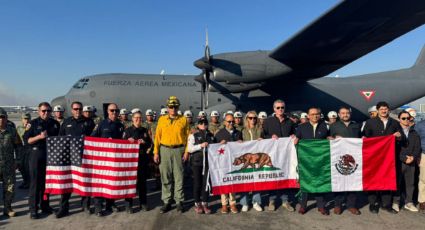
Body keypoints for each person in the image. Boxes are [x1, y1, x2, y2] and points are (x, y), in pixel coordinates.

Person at [55, 101, 95, 218]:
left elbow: (94, 138)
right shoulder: (66, 122)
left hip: (84, 156)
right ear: (72, 110)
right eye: (75, 109)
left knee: (84, 182)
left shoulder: (89, 122)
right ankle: (63, 208)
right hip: (68, 157)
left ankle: (85, 205)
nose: (78, 111)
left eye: (79, 109)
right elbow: (60, 138)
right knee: (67, 183)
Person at [363, 101, 401, 214]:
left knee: (387, 179)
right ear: (377, 110)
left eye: (386, 109)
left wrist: (398, 136)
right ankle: (373, 203)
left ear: (388, 110)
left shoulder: (394, 123)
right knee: (373, 179)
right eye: (381, 109)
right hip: (374, 157)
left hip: (389, 158)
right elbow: (366, 137)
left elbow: (402, 137)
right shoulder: (370, 122)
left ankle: (386, 204)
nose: (384, 111)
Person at [153, 96, 190, 214]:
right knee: (165, 176)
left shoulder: (183, 120)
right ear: (167, 108)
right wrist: (155, 152)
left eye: (175, 106)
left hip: (179, 150)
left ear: (178, 107)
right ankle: (167, 201)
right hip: (164, 150)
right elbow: (157, 137)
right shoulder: (162, 120)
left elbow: (189, 137)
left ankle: (179, 201)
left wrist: (187, 151)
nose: (173, 109)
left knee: (179, 176)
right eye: (171, 106)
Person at [24, 102, 60, 219]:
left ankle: (45, 205)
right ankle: (33, 209)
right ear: (39, 111)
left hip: (49, 155)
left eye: (48, 111)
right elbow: (27, 141)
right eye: (43, 111)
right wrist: (39, 137)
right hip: (36, 154)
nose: (46, 113)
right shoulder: (33, 124)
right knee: (35, 183)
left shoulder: (55, 124)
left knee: (46, 183)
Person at [90, 103, 125, 216]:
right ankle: (98, 207)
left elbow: (122, 142)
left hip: (114, 159)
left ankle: (110, 204)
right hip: (101, 159)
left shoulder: (120, 125)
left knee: (111, 182)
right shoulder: (101, 124)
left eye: (116, 110)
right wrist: (104, 142)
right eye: (112, 110)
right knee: (100, 183)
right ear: (108, 111)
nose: (114, 112)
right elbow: (92, 138)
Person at [262, 99, 296, 212]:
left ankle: (285, 201)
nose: (280, 109)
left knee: (284, 175)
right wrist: (270, 137)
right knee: (273, 176)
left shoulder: (290, 122)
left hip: (286, 154)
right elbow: (263, 135)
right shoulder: (268, 121)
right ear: (274, 109)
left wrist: (293, 136)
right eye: (278, 108)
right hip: (273, 154)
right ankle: (271, 200)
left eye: (282, 107)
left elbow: (294, 133)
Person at [295, 106, 329, 215]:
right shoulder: (301, 127)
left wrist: (330, 139)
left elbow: (328, 139)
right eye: (313, 114)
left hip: (320, 160)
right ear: (308, 116)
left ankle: (321, 206)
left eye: (317, 114)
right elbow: (297, 139)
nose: (315, 116)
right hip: (306, 161)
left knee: (319, 182)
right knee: (305, 183)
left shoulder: (325, 127)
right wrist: (296, 140)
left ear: (320, 115)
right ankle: (303, 206)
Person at [328, 106, 361, 215]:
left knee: (353, 182)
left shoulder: (356, 125)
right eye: (343, 113)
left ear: (350, 114)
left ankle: (351, 205)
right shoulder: (333, 126)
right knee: (339, 181)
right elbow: (328, 138)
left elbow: (361, 138)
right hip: (339, 158)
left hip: (354, 158)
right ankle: (338, 205)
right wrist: (329, 138)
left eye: (347, 113)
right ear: (339, 114)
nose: (345, 115)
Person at [123, 111, 152, 213]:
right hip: (130, 161)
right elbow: (122, 145)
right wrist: (127, 141)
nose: (138, 119)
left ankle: (143, 203)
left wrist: (145, 142)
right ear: (132, 119)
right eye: (136, 118)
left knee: (142, 183)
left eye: (140, 118)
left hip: (141, 159)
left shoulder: (144, 130)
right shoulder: (128, 131)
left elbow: (150, 143)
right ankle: (128, 205)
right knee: (130, 183)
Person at [215, 113, 242, 214]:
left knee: (233, 181)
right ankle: (224, 204)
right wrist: (219, 144)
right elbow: (214, 148)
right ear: (224, 122)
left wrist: (240, 142)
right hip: (223, 162)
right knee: (224, 181)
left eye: (232, 121)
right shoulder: (219, 134)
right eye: (229, 121)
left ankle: (233, 203)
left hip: (234, 162)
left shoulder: (238, 133)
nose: (231, 123)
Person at [394, 111, 421, 212]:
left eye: (408, 118)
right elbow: (395, 149)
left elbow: (417, 147)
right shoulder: (396, 132)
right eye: (403, 118)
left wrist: (413, 157)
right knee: (398, 182)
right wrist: (404, 158)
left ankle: (409, 202)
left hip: (411, 161)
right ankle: (396, 202)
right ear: (399, 119)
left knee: (410, 183)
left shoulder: (414, 133)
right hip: (399, 161)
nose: (406, 120)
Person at [187, 118, 214, 214]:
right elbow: (189, 149)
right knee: (197, 183)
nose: (203, 124)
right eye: (201, 123)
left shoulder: (211, 135)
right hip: (197, 162)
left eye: (205, 123)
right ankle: (197, 204)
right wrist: (200, 146)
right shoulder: (193, 135)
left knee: (206, 184)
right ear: (198, 125)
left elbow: (215, 147)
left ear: (207, 125)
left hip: (207, 163)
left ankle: (205, 204)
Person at [240, 111, 264, 212]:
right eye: (250, 118)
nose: (253, 120)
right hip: (246, 159)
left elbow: (266, 141)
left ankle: (256, 202)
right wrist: (239, 142)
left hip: (256, 158)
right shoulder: (242, 130)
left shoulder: (260, 129)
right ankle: (245, 203)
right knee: (245, 180)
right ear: (247, 119)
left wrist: (263, 140)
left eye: (254, 118)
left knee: (256, 180)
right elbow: (237, 141)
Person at [0, 107, 21, 217]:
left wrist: (17, 161)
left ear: (6, 118)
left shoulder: (12, 131)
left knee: (9, 187)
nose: (0, 119)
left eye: (3, 117)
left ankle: (7, 208)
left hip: (9, 164)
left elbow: (18, 147)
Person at [16, 113, 31, 189]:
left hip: (29, 149)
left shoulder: (32, 127)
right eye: (25, 119)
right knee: (21, 167)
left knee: (28, 167)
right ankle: (25, 181)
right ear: (22, 120)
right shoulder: (19, 128)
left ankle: (29, 182)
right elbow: (19, 137)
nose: (26, 120)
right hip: (22, 149)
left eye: (28, 119)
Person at [415, 117, 425, 212]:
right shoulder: (420, 125)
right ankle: (422, 201)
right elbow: (416, 141)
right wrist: (418, 155)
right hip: (424, 155)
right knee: (423, 179)